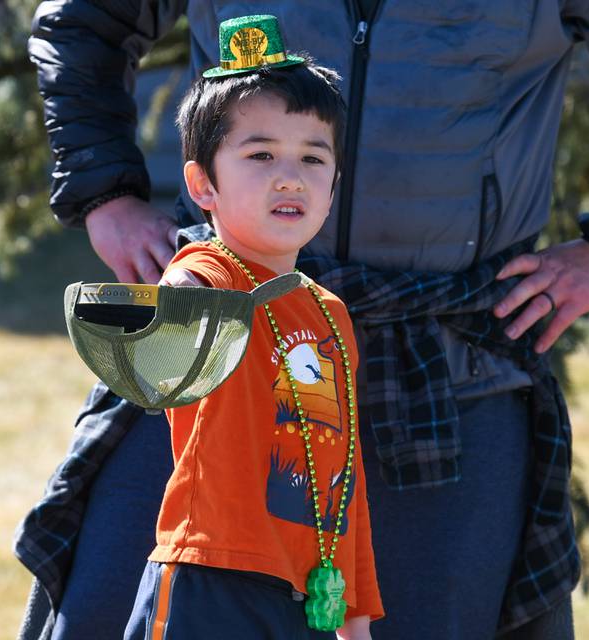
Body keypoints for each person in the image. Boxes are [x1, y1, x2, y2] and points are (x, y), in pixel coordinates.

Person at [15, 2, 589, 639]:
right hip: (222, 335)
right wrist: (105, 191)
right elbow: (83, 20)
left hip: (451, 373)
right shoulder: (200, 295)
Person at [118, 15, 382, 638]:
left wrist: (356, 614)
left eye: (312, 158)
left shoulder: (329, 315)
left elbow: (344, 475)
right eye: (260, 154)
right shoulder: (211, 271)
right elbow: (182, 299)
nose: (290, 175)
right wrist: (172, 308)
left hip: (306, 597)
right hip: (209, 578)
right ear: (202, 184)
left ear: (333, 184)